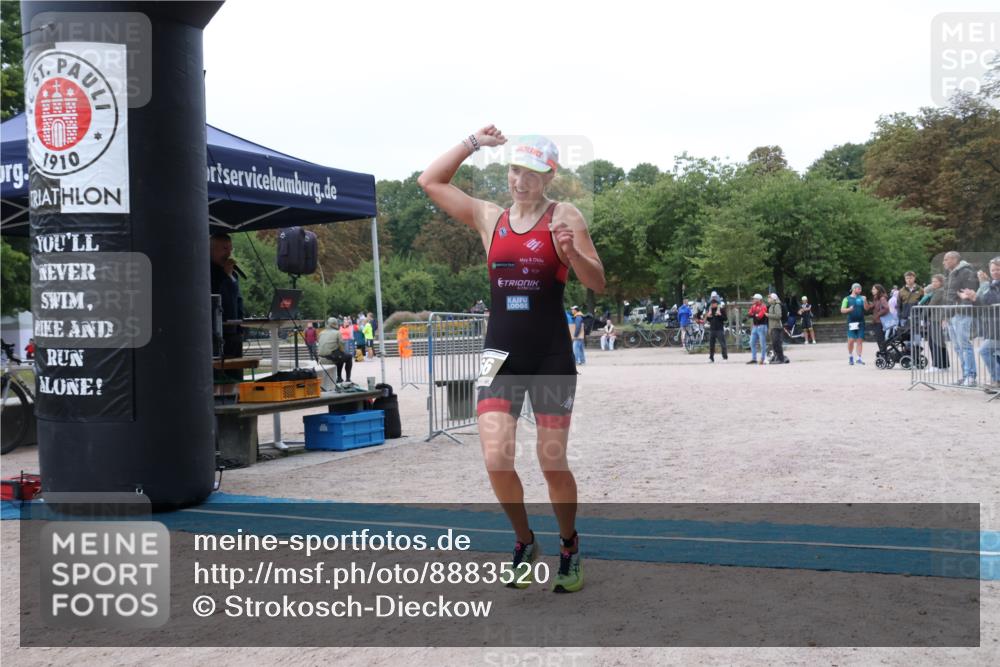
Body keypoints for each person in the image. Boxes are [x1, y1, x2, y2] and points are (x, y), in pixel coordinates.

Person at [418, 127, 606, 594]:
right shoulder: (490, 218)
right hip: (497, 354)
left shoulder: (565, 216)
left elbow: (597, 281)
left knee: (551, 462)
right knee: (496, 459)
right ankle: (524, 541)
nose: (519, 180)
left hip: (550, 356)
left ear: (549, 176)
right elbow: (430, 182)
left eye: (531, 173)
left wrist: (573, 255)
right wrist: (473, 142)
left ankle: (568, 545)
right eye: (514, 170)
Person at [210, 233, 245, 381]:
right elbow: (214, 295)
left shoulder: (233, 275)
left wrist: (242, 325)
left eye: (230, 249)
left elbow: (237, 301)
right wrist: (225, 275)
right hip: (217, 333)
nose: (228, 253)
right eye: (224, 249)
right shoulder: (207, 272)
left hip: (234, 333)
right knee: (221, 378)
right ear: (211, 249)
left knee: (236, 374)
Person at [943, 251, 979, 386]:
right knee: (958, 347)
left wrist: (961, 305)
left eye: (946, 259)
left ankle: (971, 376)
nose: (944, 262)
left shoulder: (966, 271)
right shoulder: (951, 273)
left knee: (964, 345)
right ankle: (965, 375)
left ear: (954, 259)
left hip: (963, 313)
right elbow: (949, 295)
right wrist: (946, 315)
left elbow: (970, 291)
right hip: (952, 314)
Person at [964, 257, 1000, 394]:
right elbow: (984, 303)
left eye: (998, 269)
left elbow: (992, 300)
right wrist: (973, 298)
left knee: (985, 350)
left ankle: (997, 380)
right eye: (993, 269)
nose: (995, 272)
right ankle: (997, 382)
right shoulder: (992, 284)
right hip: (993, 326)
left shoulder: (992, 285)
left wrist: (983, 286)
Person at [920, 274, 950, 371]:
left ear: (941, 282)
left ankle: (937, 365)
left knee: (935, 343)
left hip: (936, 319)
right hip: (935, 319)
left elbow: (931, 305)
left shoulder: (939, 291)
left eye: (936, 281)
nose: (934, 283)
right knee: (938, 342)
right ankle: (944, 365)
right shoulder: (937, 291)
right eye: (932, 281)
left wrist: (922, 317)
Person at [317, 317, 353, 383]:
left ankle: (339, 377)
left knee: (340, 356)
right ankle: (347, 379)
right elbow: (342, 346)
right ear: (335, 324)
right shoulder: (337, 333)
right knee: (348, 356)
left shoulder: (321, 333)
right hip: (331, 358)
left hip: (321, 358)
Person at [840, 282, 867, 365]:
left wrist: (865, 301)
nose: (860, 290)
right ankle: (850, 356)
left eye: (860, 289)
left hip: (861, 322)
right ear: (854, 289)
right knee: (851, 340)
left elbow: (866, 309)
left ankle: (859, 358)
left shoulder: (861, 298)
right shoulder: (846, 299)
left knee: (859, 340)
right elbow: (842, 310)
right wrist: (849, 309)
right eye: (859, 289)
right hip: (851, 323)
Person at [868, 284, 890, 355]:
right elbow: (869, 307)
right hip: (877, 321)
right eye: (872, 289)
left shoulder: (882, 298)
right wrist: (865, 301)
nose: (872, 290)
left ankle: (884, 353)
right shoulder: (876, 298)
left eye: (874, 289)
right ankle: (883, 352)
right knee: (879, 339)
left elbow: (886, 308)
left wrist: (878, 314)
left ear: (878, 290)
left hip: (880, 322)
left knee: (880, 339)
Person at [747, 293, 769, 365]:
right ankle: (754, 358)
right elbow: (749, 314)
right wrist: (755, 315)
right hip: (755, 326)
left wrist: (754, 314)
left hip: (762, 326)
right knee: (752, 343)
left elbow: (760, 316)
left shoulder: (763, 306)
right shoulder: (753, 306)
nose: (753, 300)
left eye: (755, 299)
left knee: (762, 344)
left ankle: (763, 358)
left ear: (759, 300)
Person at [704, 297, 727, 362]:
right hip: (712, 329)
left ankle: (725, 357)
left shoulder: (721, 309)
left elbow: (725, 319)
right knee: (711, 345)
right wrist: (708, 317)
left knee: (722, 344)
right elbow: (709, 320)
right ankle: (711, 358)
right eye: (711, 303)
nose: (712, 304)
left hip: (719, 329)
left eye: (714, 303)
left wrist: (720, 315)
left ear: (717, 304)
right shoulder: (710, 310)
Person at [767, 293, 787, 363]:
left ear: (774, 299)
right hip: (772, 327)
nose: (768, 299)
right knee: (774, 344)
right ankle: (779, 358)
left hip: (777, 327)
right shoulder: (770, 306)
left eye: (770, 298)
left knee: (777, 343)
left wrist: (768, 315)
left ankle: (780, 359)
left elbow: (778, 316)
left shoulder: (777, 305)